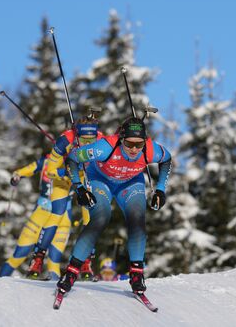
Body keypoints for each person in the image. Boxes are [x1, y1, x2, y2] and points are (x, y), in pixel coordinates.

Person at [56, 116, 172, 295]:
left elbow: (167, 159)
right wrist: (79, 188)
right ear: (121, 138)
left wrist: (161, 189)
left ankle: (136, 274)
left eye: (138, 144)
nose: (134, 149)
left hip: (130, 183)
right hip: (101, 180)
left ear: (145, 141)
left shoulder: (150, 149)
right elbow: (72, 158)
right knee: (101, 218)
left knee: (137, 219)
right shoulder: (105, 147)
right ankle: (71, 271)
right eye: (129, 144)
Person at [24, 113, 103, 280]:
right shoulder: (64, 141)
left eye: (92, 140)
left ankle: (86, 261)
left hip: (83, 176)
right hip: (63, 177)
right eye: (84, 140)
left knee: (90, 215)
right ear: (76, 137)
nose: (88, 145)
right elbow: (50, 171)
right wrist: (66, 171)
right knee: (57, 213)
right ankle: (38, 259)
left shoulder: (101, 139)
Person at [0, 155, 70, 279]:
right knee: (19, 255)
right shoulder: (46, 161)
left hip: (62, 217)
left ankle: (55, 294)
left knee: (54, 261)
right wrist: (17, 176)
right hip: (41, 213)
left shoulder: (75, 163)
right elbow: (25, 170)